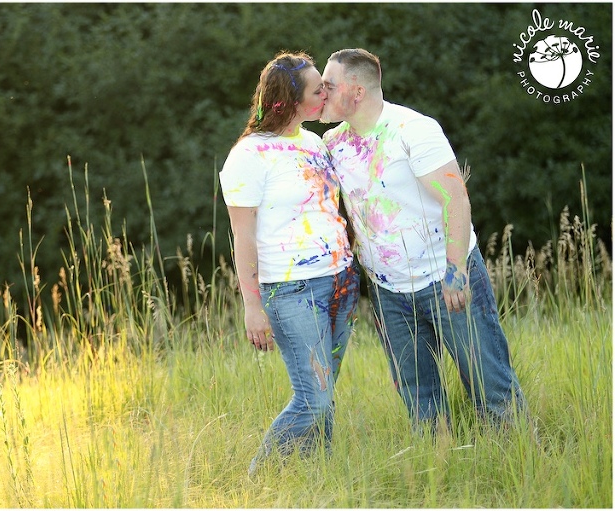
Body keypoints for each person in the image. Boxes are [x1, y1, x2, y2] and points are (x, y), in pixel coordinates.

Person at [319, 48, 527, 433]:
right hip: (388, 292)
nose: (321, 92)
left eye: (329, 85)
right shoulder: (333, 142)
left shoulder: (413, 129)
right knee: (420, 400)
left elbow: (455, 199)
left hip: (444, 279)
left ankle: (519, 458)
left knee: (491, 386)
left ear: (357, 91)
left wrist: (456, 271)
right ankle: (439, 465)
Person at [219, 51, 360, 477]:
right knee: (312, 397)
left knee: (325, 392)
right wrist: (252, 305)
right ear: (291, 100)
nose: (326, 95)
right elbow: (243, 236)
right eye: (318, 90)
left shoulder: (314, 142)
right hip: (291, 289)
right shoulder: (248, 155)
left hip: (340, 280)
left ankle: (317, 479)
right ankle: (254, 483)